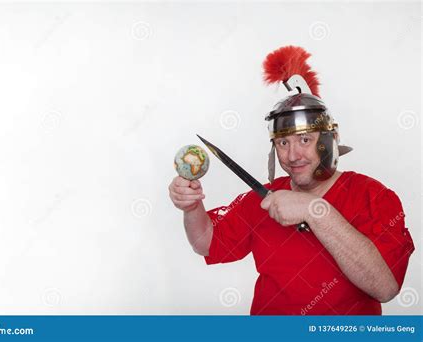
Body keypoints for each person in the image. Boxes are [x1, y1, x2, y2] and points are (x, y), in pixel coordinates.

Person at [168, 46, 414, 315]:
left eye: (305, 140)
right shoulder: (263, 198)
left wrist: (314, 211)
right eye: (283, 142)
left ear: (330, 140)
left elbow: (385, 288)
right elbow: (206, 243)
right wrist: (192, 208)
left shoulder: (374, 196)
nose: (293, 155)